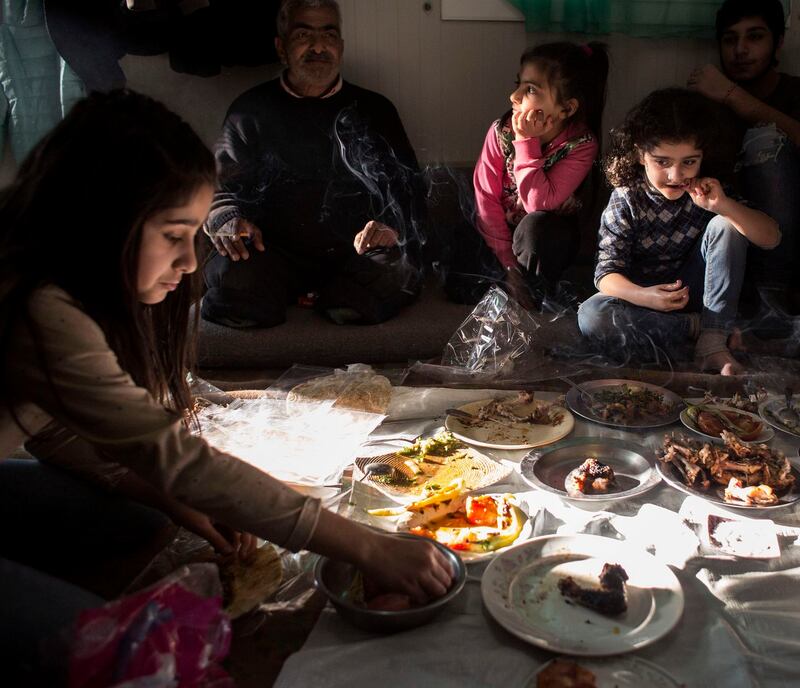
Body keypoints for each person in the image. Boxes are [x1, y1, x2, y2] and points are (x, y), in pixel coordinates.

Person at [0, 90, 453, 683]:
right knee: (117, 652)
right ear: (103, 217)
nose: (192, 262)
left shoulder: (59, 275)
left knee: (139, 516)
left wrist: (168, 493)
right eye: (173, 235)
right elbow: (178, 458)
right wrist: (370, 547)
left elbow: (55, 428)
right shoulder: (40, 306)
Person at [202, 0, 424, 329]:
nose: (319, 47)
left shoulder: (376, 110)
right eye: (304, 34)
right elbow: (221, 192)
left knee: (400, 266)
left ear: (341, 47)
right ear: (281, 47)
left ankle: (336, 301)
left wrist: (389, 227)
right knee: (232, 278)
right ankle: (311, 300)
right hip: (274, 256)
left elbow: (408, 192)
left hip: (356, 256)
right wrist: (228, 220)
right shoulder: (248, 111)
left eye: (329, 35)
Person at [578, 88, 780, 375]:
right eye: (662, 162)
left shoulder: (709, 189)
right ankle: (699, 332)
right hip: (642, 300)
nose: (676, 175)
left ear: (702, 156)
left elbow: (771, 238)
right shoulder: (627, 199)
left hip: (701, 294)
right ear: (640, 154)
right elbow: (605, 276)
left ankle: (712, 340)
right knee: (591, 316)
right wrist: (646, 296)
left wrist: (723, 205)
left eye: (688, 161)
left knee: (726, 225)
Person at [472, 41, 609, 310]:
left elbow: (538, 205)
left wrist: (526, 142)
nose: (514, 96)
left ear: (566, 109)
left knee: (536, 228)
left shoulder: (581, 145)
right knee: (465, 250)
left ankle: (527, 292)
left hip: (543, 237)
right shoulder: (501, 131)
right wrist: (508, 263)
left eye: (530, 89)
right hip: (502, 234)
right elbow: (485, 198)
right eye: (518, 84)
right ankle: (508, 283)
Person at [688, 0, 800, 316]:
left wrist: (733, 96)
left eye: (754, 37)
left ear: (777, 43)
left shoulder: (793, 92)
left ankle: (772, 301)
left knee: (765, 138)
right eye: (730, 39)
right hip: (723, 244)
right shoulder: (705, 102)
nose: (740, 49)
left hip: (783, 250)